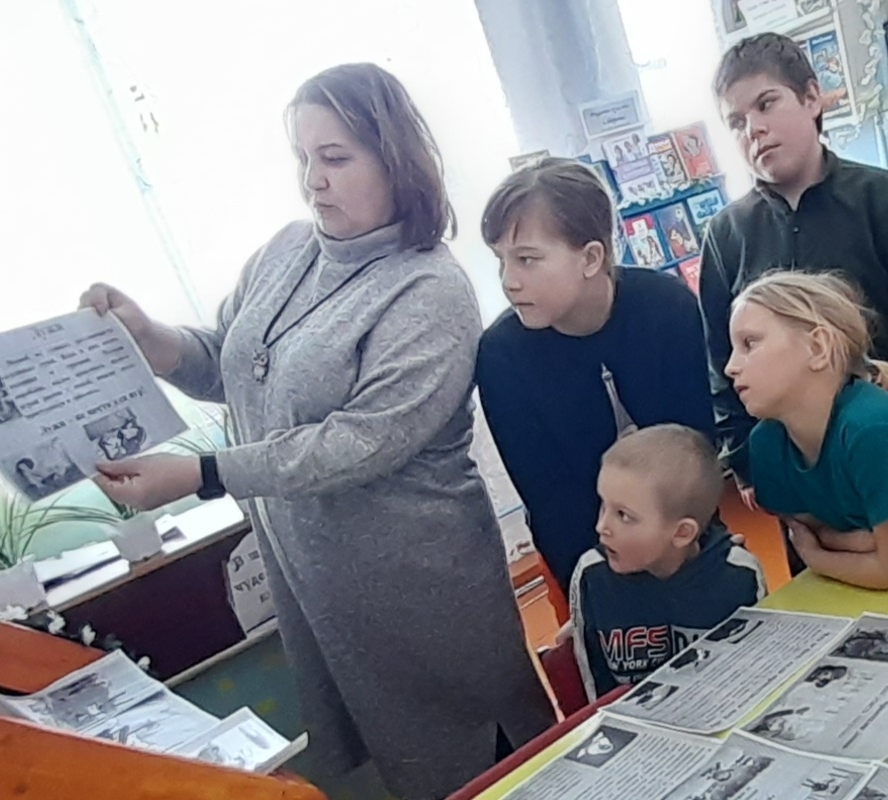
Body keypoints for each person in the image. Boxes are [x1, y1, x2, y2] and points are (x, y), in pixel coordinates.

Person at [79, 63, 553, 799]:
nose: (314, 181)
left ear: (395, 160)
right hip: (319, 583)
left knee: (481, 766)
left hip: (421, 587)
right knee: (387, 766)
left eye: (335, 158)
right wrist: (152, 340)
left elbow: (358, 442)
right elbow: (231, 364)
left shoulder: (428, 286)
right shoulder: (286, 252)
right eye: (304, 158)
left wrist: (205, 473)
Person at [701, 32, 888, 494]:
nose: (753, 128)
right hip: (798, 474)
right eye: (736, 122)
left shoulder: (887, 201)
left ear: (811, 97)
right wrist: (748, 466)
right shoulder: (726, 235)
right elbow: (722, 362)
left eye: (766, 104)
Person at [476, 158, 716, 590]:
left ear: (590, 257)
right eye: (500, 261)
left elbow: (697, 450)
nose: (508, 281)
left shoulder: (669, 308)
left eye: (527, 259)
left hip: (689, 543)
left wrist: (693, 551)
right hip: (586, 561)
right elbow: (548, 496)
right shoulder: (501, 357)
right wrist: (598, 590)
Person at [726, 271, 888, 590]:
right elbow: (811, 529)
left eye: (749, 343)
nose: (729, 367)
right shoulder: (765, 443)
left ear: (818, 347)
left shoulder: (872, 430)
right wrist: (866, 543)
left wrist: (816, 557)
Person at [570, 425, 765, 701]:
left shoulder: (738, 576)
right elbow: (598, 691)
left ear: (682, 533)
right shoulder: (592, 575)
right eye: (603, 505)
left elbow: (756, 676)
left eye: (624, 515)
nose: (601, 526)